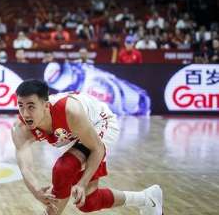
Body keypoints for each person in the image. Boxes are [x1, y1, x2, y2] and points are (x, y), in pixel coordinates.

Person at [11, 79, 163, 215]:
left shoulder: (70, 111)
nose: (25, 113)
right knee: (89, 203)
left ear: (45, 105)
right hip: (75, 133)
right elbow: (25, 167)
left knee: (63, 169)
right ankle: (147, 198)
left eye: (31, 107)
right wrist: (36, 190)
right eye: (20, 106)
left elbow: (98, 148)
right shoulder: (20, 129)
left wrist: (82, 183)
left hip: (99, 122)